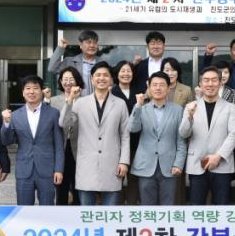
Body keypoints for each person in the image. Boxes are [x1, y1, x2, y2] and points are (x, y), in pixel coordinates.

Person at [63, 61, 130, 206]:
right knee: (87, 211)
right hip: (86, 164)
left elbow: (125, 135)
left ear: (111, 79)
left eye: (105, 75)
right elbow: (65, 123)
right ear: (92, 79)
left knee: (110, 211)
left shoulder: (120, 104)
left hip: (112, 163)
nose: (102, 78)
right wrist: (70, 101)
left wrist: (124, 161)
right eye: (98, 75)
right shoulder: (80, 103)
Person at [179, 66, 235, 205]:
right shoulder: (191, 106)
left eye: (214, 80)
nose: (210, 84)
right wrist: (189, 117)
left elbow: (233, 135)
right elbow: (183, 133)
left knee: (221, 206)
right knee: (196, 206)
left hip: (222, 164)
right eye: (206, 80)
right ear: (200, 84)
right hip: (197, 164)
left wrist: (218, 156)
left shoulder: (230, 107)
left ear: (220, 82)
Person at [1, 75, 64, 205]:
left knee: (47, 208)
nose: (31, 91)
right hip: (24, 170)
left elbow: (59, 145)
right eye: (28, 88)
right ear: (23, 93)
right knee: (24, 209)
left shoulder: (53, 113)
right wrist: (6, 123)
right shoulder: (15, 116)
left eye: (35, 88)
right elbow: (7, 141)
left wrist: (59, 169)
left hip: (47, 170)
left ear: (41, 91)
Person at [130, 71, 187, 205]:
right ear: (149, 88)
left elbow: (181, 141)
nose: (158, 88)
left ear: (168, 88)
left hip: (169, 166)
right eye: (154, 85)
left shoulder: (178, 110)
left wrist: (178, 164)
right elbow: (133, 128)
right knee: (147, 207)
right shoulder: (141, 109)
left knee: (168, 206)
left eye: (162, 85)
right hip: (145, 166)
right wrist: (138, 106)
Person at [50, 66, 85, 205]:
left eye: (71, 79)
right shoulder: (53, 101)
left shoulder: (85, 101)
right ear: (60, 81)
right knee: (61, 188)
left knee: (79, 188)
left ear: (77, 81)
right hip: (60, 148)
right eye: (65, 79)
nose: (68, 82)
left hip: (80, 149)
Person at [110, 60, 140, 204]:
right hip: (116, 142)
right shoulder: (111, 92)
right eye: (123, 71)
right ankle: (118, 207)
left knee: (134, 178)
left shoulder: (139, 92)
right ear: (117, 74)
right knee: (117, 178)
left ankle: (132, 206)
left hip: (136, 142)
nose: (126, 74)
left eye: (129, 71)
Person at [48, 30, 101, 95]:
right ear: (80, 45)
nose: (92, 45)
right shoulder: (69, 61)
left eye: (95, 43)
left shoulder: (103, 63)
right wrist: (60, 48)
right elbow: (52, 68)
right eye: (88, 42)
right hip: (76, 99)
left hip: (97, 100)